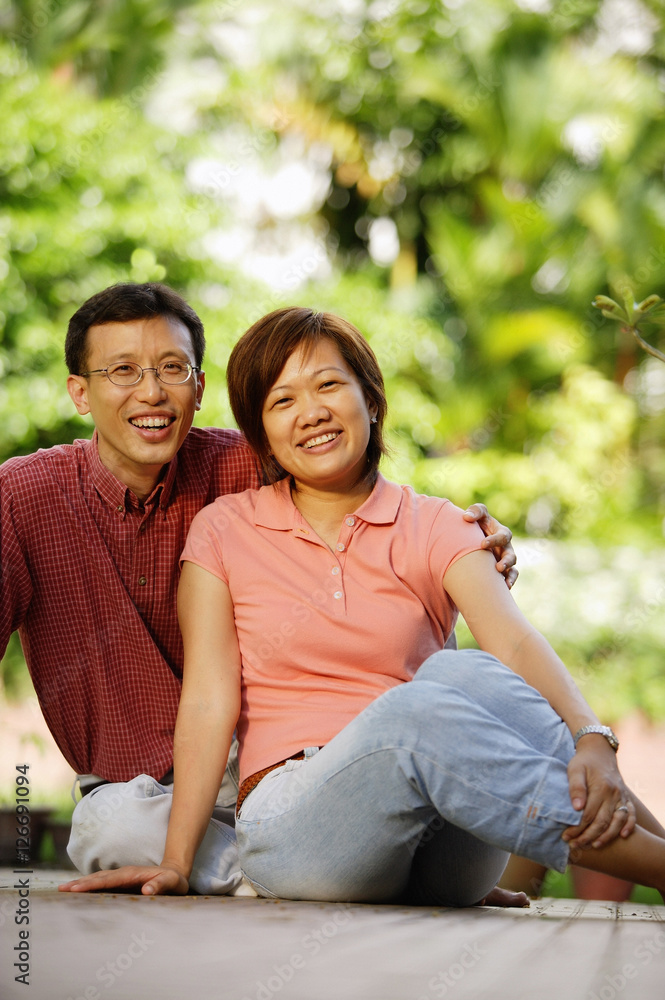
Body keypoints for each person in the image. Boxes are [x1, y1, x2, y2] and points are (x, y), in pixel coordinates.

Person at [61, 306, 665, 906]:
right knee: (417, 712)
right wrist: (175, 860)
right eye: (282, 402)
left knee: (466, 671)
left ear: (370, 400)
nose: (312, 413)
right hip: (302, 829)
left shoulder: (438, 523)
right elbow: (209, 700)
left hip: (444, 851)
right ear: (261, 434)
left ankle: (659, 848)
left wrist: (592, 737)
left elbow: (513, 642)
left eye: (328, 385)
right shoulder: (224, 531)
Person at [1, 284, 516, 895]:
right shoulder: (22, 496)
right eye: (123, 371)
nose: (151, 392)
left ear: (197, 386)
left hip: (288, 767)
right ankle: (324, 869)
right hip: (144, 792)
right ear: (79, 392)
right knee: (107, 829)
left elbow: (375, 530)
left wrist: (471, 536)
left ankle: (324, 861)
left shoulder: (250, 465)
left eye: (173, 368)